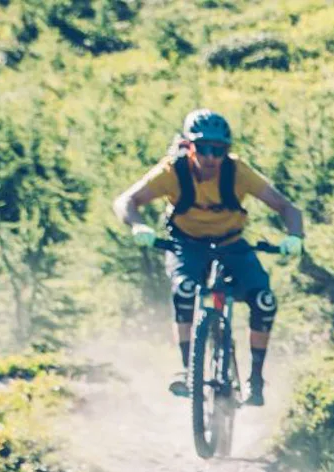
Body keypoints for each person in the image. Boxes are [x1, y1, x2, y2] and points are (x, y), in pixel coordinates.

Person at [112, 109, 305, 407]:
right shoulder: (172, 171)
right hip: (186, 244)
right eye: (203, 148)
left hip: (231, 244)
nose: (211, 157)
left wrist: (295, 236)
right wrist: (138, 225)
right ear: (189, 147)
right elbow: (126, 200)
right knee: (185, 290)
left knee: (264, 301)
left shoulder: (238, 172)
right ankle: (187, 370)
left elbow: (286, 207)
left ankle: (255, 380)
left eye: (219, 150)